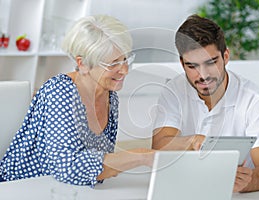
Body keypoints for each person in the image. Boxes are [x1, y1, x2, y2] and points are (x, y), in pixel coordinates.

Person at [0, 15, 154, 187]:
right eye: (113, 64)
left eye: (125, 59)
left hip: (69, 190)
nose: (124, 70)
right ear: (83, 64)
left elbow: (97, 168)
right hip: (22, 187)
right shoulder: (60, 92)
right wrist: (141, 156)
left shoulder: (110, 96)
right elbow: (67, 168)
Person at [152, 14, 259, 193]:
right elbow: (159, 146)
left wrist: (245, 183)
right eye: (192, 66)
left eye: (211, 63)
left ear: (226, 56)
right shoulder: (173, 90)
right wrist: (192, 141)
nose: (203, 75)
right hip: (191, 190)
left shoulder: (254, 100)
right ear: (182, 64)